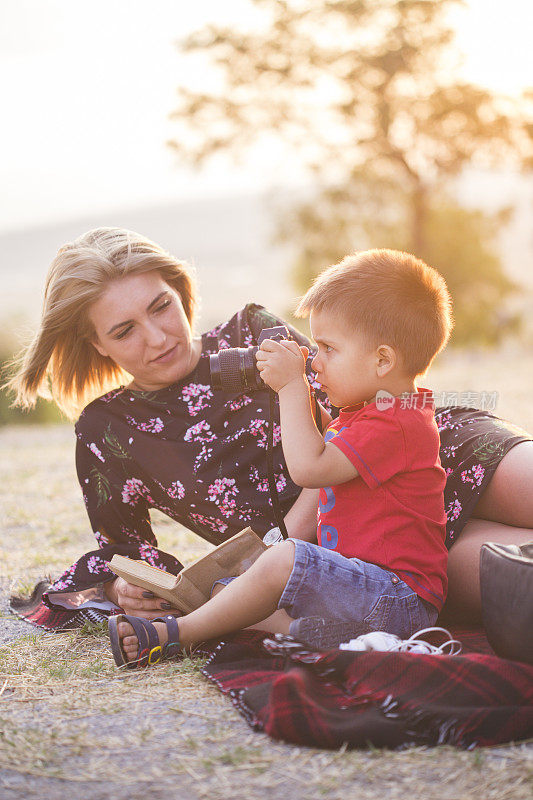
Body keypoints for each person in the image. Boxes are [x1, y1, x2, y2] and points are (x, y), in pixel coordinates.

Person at [6, 228, 533, 634]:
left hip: (434, 450)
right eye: (124, 331)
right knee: (517, 580)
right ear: (96, 343)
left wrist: (279, 551)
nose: (157, 336)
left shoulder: (252, 330)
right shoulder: (107, 431)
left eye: (160, 306)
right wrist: (128, 588)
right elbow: (126, 554)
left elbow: (355, 408)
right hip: (369, 555)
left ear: (179, 291)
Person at [108, 248, 453, 666]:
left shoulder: (396, 422)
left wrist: (293, 388)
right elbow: (329, 440)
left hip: (398, 599)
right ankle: (315, 634)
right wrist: (295, 395)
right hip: (364, 591)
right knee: (233, 591)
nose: (315, 360)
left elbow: (311, 468)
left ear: (382, 360)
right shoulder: (374, 411)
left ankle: (175, 635)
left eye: (327, 349)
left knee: (285, 558)